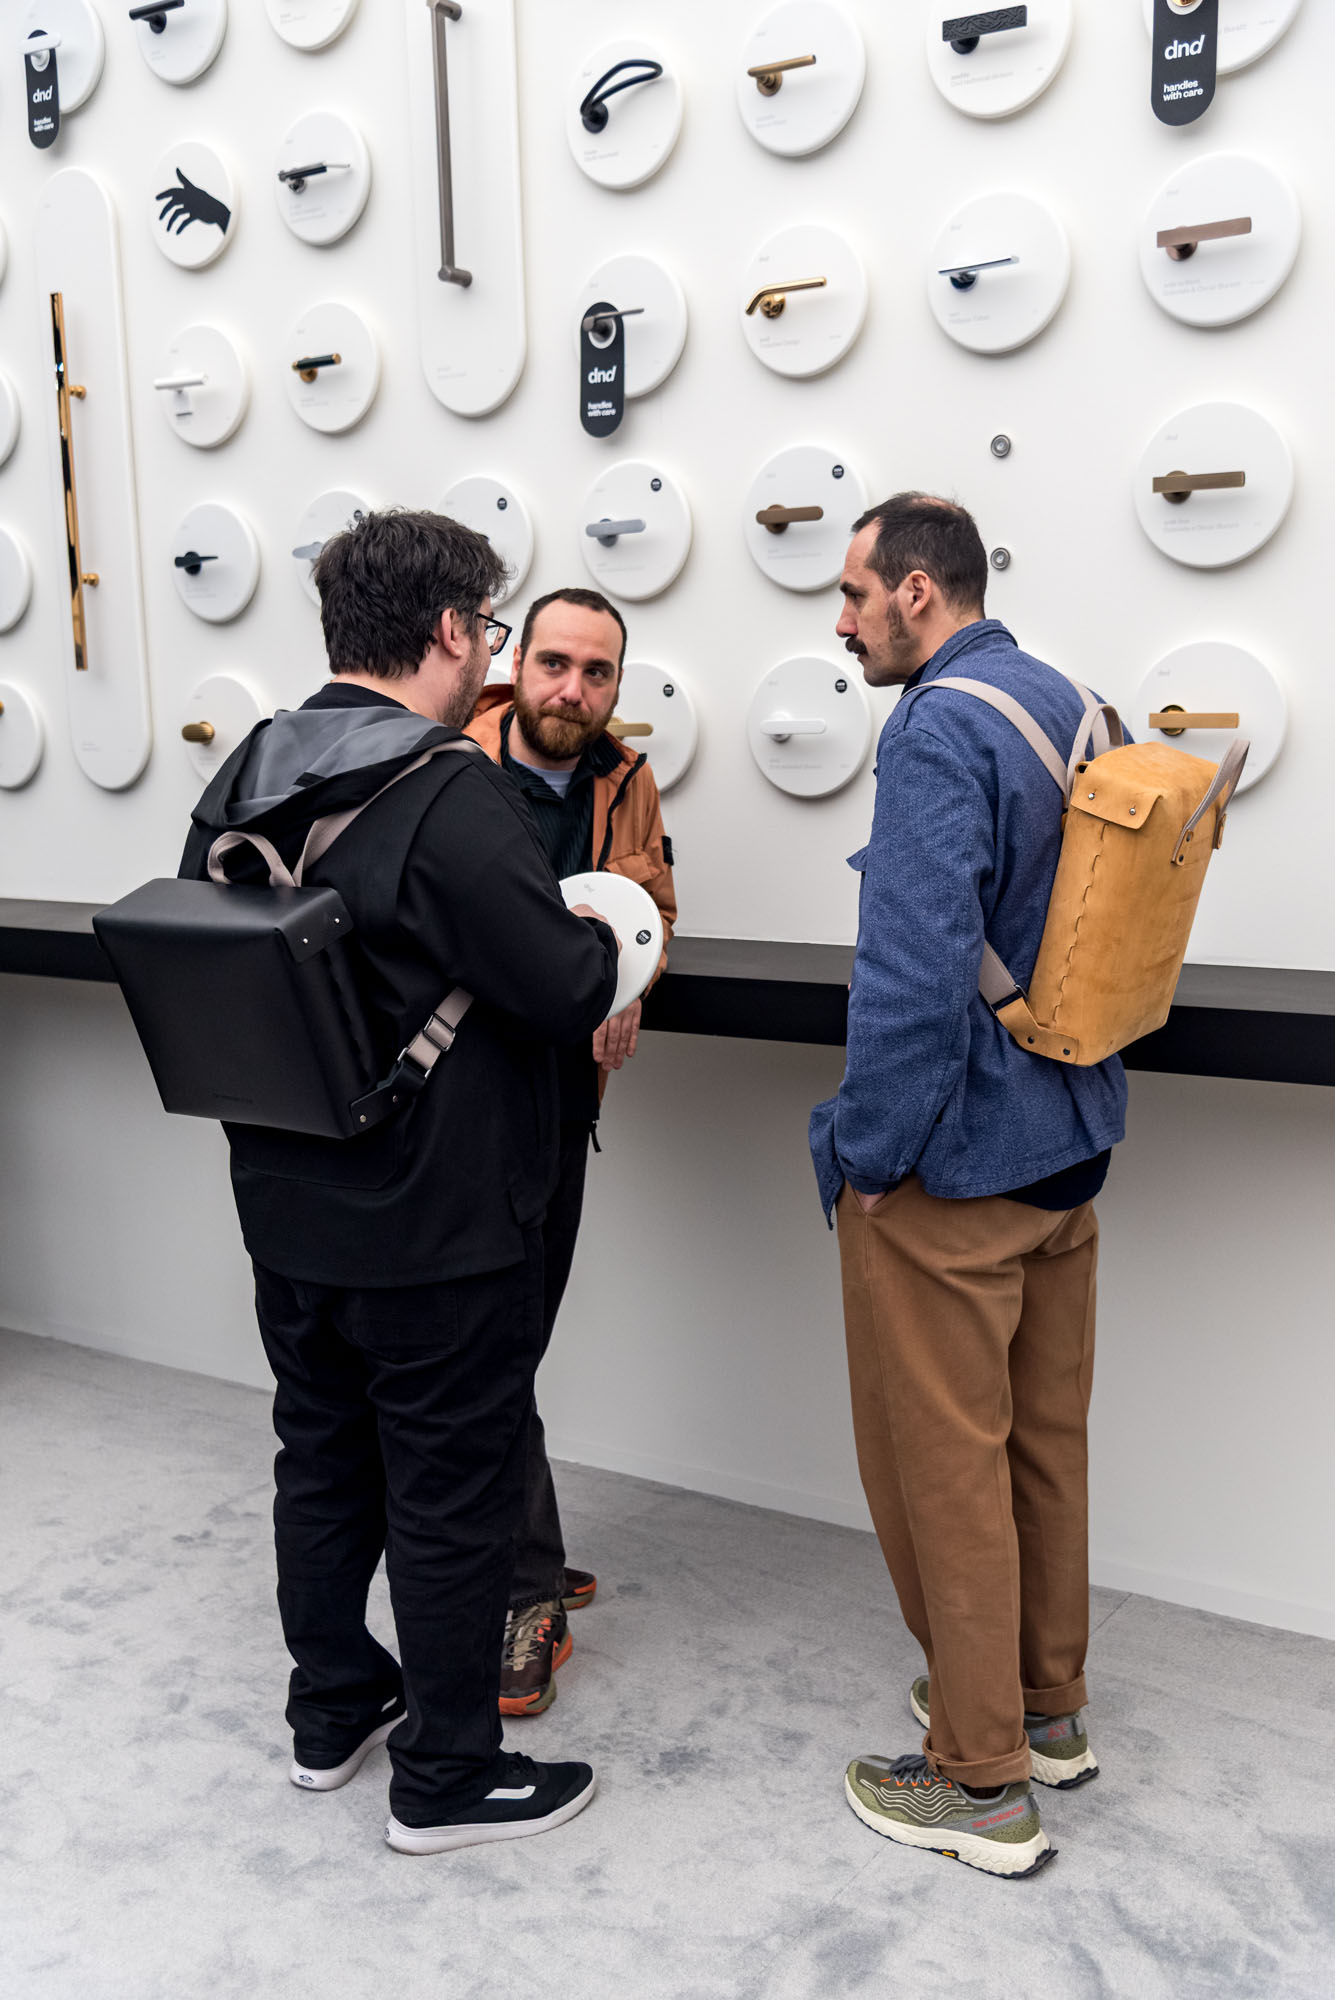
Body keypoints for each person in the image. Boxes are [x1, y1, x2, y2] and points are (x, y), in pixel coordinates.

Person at [178, 511, 621, 1855]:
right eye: (489, 628)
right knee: (449, 1490)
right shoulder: (445, 789)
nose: (490, 652)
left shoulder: (244, 773)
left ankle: (331, 1714)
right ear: (446, 630)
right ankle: (445, 1777)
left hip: (286, 1204)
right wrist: (594, 936)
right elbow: (565, 987)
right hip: (438, 1222)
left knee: (319, 1459)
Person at [810, 494, 1127, 1880]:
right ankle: (1044, 1709)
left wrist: (868, 1156)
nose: (840, 620)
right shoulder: (1075, 702)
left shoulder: (936, 727)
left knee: (942, 1468)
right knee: (1042, 1445)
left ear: (918, 591)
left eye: (853, 592)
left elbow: (909, 974)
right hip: (1070, 1140)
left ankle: (979, 1780)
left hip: (958, 1168)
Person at [465, 586, 676, 1716]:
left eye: (597, 672)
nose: (572, 689)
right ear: (517, 661)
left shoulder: (626, 776)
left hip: (561, 1102)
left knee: (519, 1335)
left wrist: (631, 979)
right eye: (554, 662)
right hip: (461, 1101)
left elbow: (652, 903)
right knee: (488, 1347)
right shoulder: (452, 758)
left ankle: (512, 1531)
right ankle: (525, 1588)